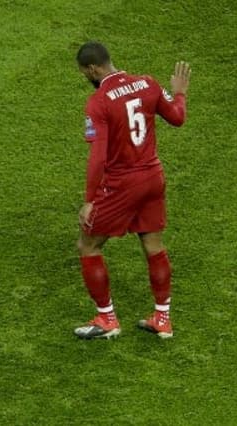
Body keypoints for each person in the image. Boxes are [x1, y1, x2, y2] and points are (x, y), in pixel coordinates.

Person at [72, 41, 191, 340]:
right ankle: (162, 318)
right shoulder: (148, 83)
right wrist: (179, 92)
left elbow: (98, 157)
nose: (86, 77)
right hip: (153, 177)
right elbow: (177, 117)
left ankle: (106, 319)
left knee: (88, 245)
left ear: (93, 68)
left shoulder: (98, 102)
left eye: (85, 72)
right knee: (153, 244)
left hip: (122, 185)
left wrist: (90, 200)